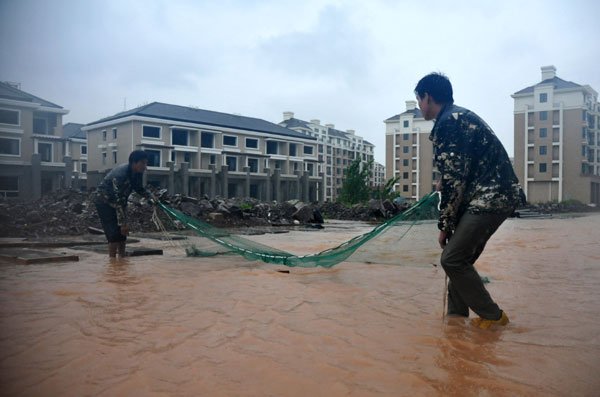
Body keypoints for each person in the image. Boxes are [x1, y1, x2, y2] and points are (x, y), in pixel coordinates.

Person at [415, 72, 525, 330]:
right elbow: (462, 167)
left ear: (428, 97)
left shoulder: (448, 123)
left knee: (451, 259)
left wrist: (444, 224)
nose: (420, 106)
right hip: (492, 195)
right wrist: (445, 181)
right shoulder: (459, 117)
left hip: (490, 197)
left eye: (419, 100)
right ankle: (455, 320)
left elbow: (455, 180)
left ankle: (494, 317)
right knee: (459, 260)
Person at [94, 150, 155, 258]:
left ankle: (122, 260)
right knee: (113, 233)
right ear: (134, 162)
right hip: (104, 201)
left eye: (146, 163)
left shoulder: (137, 173)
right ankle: (112, 262)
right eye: (143, 163)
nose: (145, 166)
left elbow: (139, 188)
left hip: (120, 202)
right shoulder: (120, 175)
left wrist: (151, 196)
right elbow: (118, 200)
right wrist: (123, 224)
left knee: (122, 234)